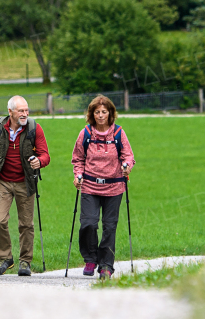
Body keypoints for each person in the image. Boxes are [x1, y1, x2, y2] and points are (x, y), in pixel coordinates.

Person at [0, 95, 50, 276]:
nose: (25, 114)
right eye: (21, 111)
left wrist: (39, 162)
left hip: (25, 181)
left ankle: (25, 261)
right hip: (3, 181)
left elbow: (45, 155)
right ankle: (5, 258)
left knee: (26, 224)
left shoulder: (35, 128)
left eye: (27, 110)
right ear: (10, 112)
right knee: (0, 220)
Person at [71, 94, 134, 279]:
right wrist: (78, 175)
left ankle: (106, 265)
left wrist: (127, 166)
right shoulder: (86, 133)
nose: (100, 115)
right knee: (88, 223)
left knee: (109, 226)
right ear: (92, 114)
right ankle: (90, 258)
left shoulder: (118, 133)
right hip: (90, 186)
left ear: (110, 113)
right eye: (97, 112)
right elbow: (78, 158)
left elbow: (128, 156)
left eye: (104, 112)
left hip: (114, 187)